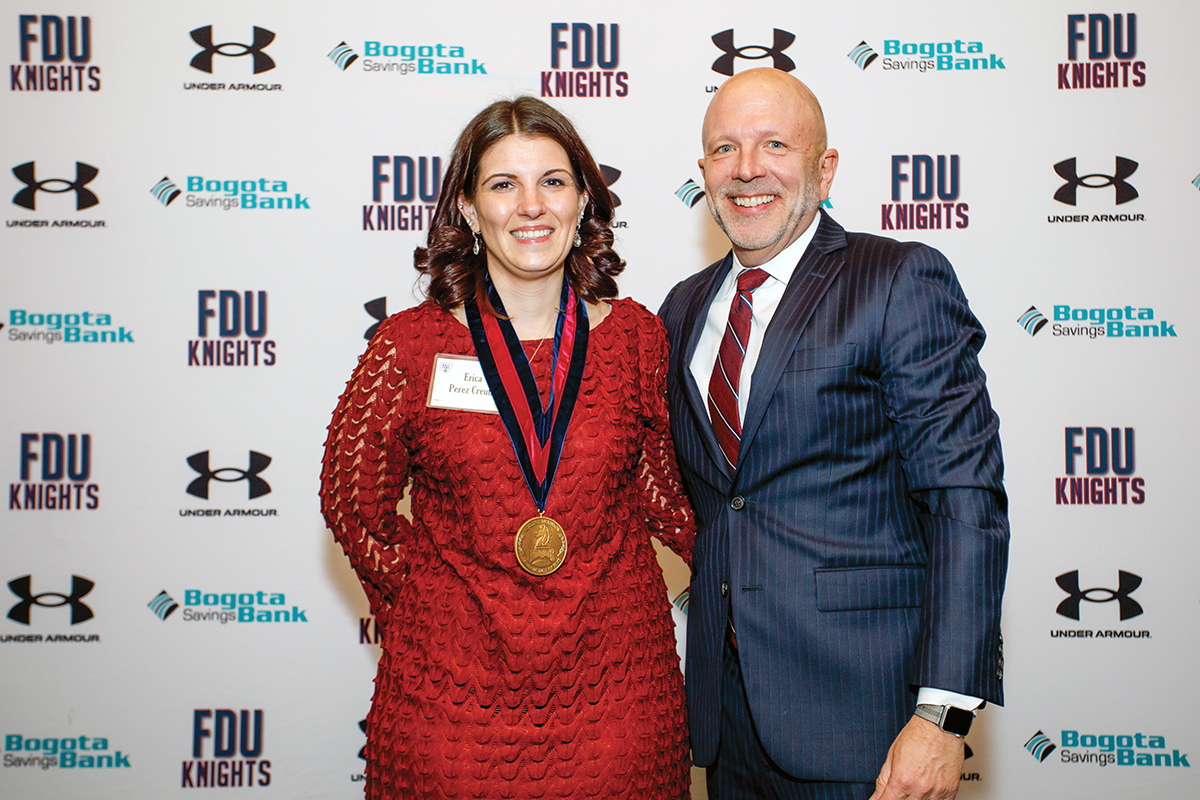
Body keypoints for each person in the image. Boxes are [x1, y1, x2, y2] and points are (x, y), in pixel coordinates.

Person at [320, 96, 695, 799]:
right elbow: (352, 503)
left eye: (553, 181)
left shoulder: (636, 338)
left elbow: (669, 501)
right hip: (450, 715)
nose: (531, 206)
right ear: (466, 208)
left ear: (584, 199)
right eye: (503, 184)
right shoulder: (410, 345)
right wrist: (438, 605)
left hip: (617, 704)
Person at [658, 68, 1008, 800]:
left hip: (870, 730)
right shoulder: (682, 310)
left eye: (773, 144)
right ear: (703, 174)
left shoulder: (898, 279)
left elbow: (964, 501)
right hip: (726, 728)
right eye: (724, 149)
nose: (747, 168)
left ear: (825, 168)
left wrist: (942, 717)